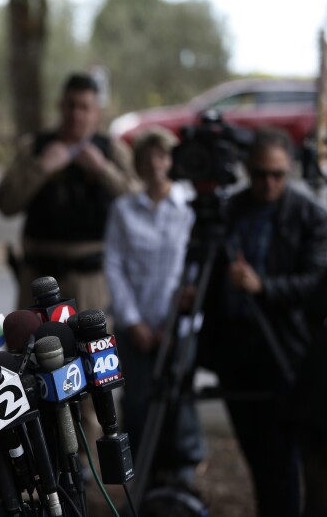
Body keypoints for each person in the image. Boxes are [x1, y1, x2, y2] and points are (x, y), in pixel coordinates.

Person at [198, 128, 327, 517]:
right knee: (257, 456)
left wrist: (263, 286)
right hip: (234, 351)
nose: (268, 182)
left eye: (277, 175)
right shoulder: (229, 210)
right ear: (246, 170)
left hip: (284, 353)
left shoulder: (308, 216)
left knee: (282, 460)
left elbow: (315, 285)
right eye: (259, 174)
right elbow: (210, 270)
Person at [103, 127, 204, 488]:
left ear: (170, 160)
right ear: (138, 164)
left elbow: (195, 266)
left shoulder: (189, 206)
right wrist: (132, 321)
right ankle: (143, 478)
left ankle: (182, 476)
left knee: (179, 397)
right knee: (138, 402)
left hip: (178, 326)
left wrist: (175, 322)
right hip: (136, 325)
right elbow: (113, 265)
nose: (154, 164)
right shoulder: (123, 209)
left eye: (160, 156)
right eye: (146, 158)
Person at [0, 73, 137, 312]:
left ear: (96, 113)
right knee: (31, 347)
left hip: (91, 282)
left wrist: (103, 170)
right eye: (70, 106)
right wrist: (41, 168)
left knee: (92, 345)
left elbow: (136, 202)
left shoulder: (111, 151)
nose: (76, 114)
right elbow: (5, 203)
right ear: (60, 107)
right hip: (37, 279)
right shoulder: (34, 148)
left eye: (84, 107)